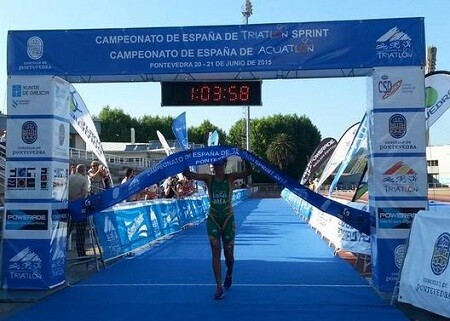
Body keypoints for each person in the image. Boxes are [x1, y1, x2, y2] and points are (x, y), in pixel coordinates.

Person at [183, 158, 252, 300]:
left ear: (225, 165)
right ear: (212, 166)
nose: (218, 168)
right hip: (213, 218)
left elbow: (248, 171)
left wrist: (245, 157)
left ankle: (229, 272)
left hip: (227, 219)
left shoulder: (230, 177)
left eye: (221, 165)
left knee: (229, 255)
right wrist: (186, 158)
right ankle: (219, 286)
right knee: (215, 251)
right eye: (215, 165)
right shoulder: (208, 179)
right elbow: (188, 174)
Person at [68, 164, 89, 257]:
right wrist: (75, 199)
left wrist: (70, 200)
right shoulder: (84, 180)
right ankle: (81, 254)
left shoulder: (68, 178)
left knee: (67, 231)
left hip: (68, 207)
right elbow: (83, 194)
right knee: (80, 233)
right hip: (79, 208)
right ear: (83, 170)